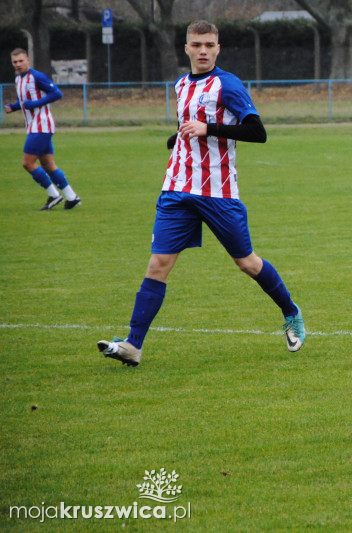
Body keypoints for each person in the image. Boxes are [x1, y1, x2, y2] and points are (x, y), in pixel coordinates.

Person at [97, 20, 305, 366]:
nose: (203, 50)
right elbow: (186, 127)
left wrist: (208, 128)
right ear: (187, 48)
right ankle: (133, 345)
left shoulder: (227, 85)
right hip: (177, 189)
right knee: (158, 264)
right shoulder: (180, 84)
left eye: (210, 44)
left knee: (247, 263)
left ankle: (290, 311)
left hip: (219, 193)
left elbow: (258, 131)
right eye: (197, 44)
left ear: (218, 48)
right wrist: (176, 138)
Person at [5, 48, 82, 210]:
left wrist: (35, 104)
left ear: (28, 60)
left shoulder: (37, 76)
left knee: (27, 163)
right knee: (47, 164)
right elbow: (25, 101)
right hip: (34, 126)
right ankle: (71, 197)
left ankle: (54, 195)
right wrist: (14, 107)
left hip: (41, 125)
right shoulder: (19, 79)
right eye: (15, 62)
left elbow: (56, 93)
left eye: (21, 61)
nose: (18, 64)